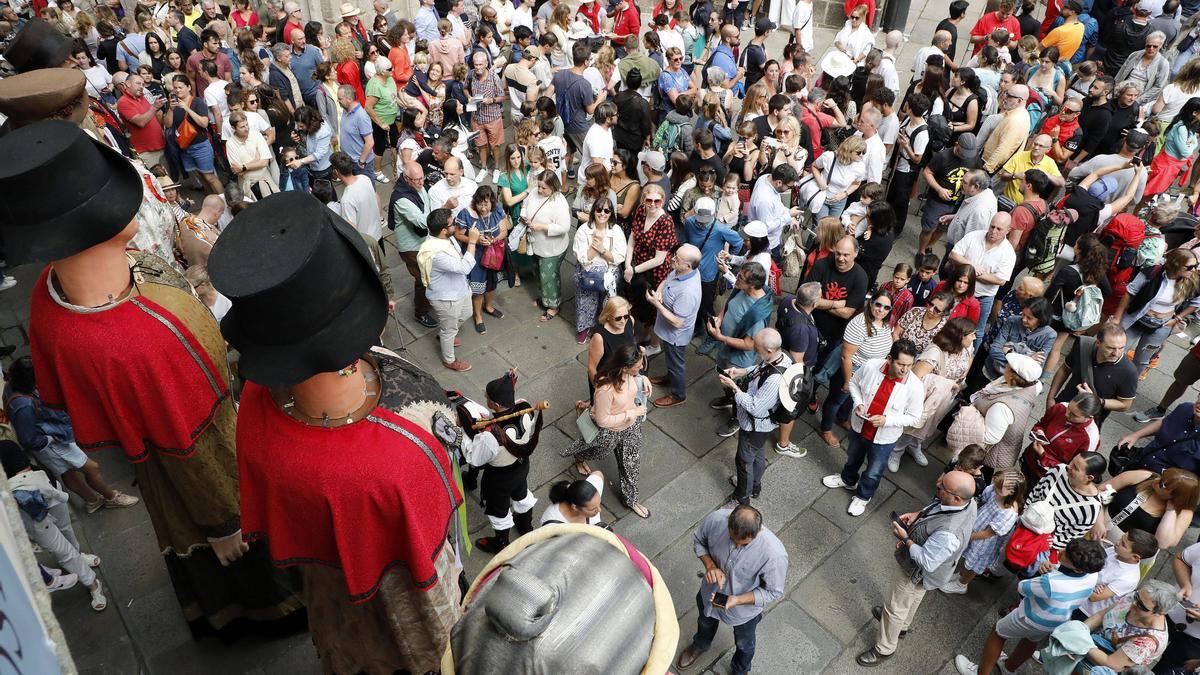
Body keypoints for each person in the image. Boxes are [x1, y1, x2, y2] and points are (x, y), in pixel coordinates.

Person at [0, 121, 303, 637]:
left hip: (209, 451)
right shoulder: (127, 339)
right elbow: (183, 444)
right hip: (215, 481)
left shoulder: (70, 289)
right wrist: (221, 522)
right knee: (248, 567)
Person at [208, 192, 461, 672]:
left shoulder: (259, 403)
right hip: (405, 597)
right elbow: (427, 571)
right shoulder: (393, 463)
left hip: (332, 601)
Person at [857, 471, 978, 666]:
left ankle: (885, 648)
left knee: (894, 608)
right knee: (913, 598)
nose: (937, 486)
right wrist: (918, 515)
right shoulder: (969, 503)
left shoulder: (949, 533)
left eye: (942, 488)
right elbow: (939, 508)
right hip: (932, 574)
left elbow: (926, 561)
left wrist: (906, 539)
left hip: (915, 572)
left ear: (956, 498)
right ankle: (902, 627)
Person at [4, 356, 139, 513]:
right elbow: (28, 438)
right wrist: (51, 438)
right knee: (92, 468)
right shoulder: (24, 405)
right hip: (52, 443)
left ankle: (92, 501)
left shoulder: (11, 386)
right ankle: (111, 497)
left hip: (48, 440)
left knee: (68, 473)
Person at [953, 538, 1107, 675]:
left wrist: (1042, 572)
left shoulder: (1052, 582)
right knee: (1030, 641)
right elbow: (1066, 576)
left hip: (1031, 616)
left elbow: (1023, 588)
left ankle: (980, 672)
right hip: (1056, 620)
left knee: (998, 632)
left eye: (1066, 555)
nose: (1060, 552)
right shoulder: (1092, 574)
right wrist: (1055, 568)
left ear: (1078, 568)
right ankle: (1008, 668)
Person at [675, 505, 788, 674]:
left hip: (743, 611)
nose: (736, 546)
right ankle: (700, 645)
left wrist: (738, 600)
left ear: (756, 533)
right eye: (732, 540)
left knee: (745, 644)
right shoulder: (716, 519)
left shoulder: (774, 555)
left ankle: (740, 669)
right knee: (704, 622)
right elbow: (699, 540)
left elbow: (774, 591)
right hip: (709, 595)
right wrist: (710, 566)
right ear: (728, 523)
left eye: (743, 545)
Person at [822, 340, 924, 516]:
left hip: (884, 438)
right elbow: (854, 383)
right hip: (859, 426)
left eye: (909, 365)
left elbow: (915, 417)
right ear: (890, 359)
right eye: (901, 364)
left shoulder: (915, 387)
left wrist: (887, 420)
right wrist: (859, 402)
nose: (905, 370)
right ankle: (848, 479)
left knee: (874, 471)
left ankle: (863, 496)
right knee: (853, 457)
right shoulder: (871, 366)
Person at [2, 441, 106, 611]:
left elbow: (26, 473)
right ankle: (92, 583)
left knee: (66, 529)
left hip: (45, 490)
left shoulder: (4, 447)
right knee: (61, 550)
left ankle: (78, 555)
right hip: (26, 511)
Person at [457, 369, 543, 552]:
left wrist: (465, 433)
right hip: (522, 466)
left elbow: (475, 458)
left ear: (494, 404)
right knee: (521, 493)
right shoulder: (525, 405)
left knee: (498, 509)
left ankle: (501, 543)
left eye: (486, 397)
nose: (485, 399)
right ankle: (525, 526)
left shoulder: (490, 434)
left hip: (500, 478)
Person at [561, 344, 651, 519]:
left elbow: (639, 371)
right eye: (638, 366)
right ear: (625, 367)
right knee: (596, 451)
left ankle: (631, 500)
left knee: (630, 464)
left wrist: (643, 376)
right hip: (609, 431)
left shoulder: (629, 373)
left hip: (630, 427)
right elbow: (602, 421)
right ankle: (579, 456)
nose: (641, 368)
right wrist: (632, 413)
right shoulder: (606, 389)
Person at [889, 317, 976, 472]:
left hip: (946, 396)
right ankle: (896, 451)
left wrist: (957, 385)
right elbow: (915, 378)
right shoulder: (935, 352)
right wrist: (948, 384)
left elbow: (969, 362)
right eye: (971, 334)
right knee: (912, 426)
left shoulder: (967, 348)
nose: (975, 337)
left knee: (929, 425)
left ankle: (914, 445)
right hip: (925, 397)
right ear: (960, 336)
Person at [719, 328, 792, 504]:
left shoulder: (775, 379)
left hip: (755, 426)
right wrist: (740, 372)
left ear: (769, 350)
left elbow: (756, 407)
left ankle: (742, 497)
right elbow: (761, 368)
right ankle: (754, 486)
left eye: (757, 347)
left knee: (744, 460)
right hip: (763, 426)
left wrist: (735, 388)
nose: (753, 349)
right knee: (757, 454)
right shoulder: (782, 358)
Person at [709, 263, 774, 438]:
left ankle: (737, 417)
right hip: (725, 347)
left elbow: (749, 344)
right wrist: (719, 319)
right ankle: (728, 398)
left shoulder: (756, 313)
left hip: (738, 359)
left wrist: (721, 338)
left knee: (738, 388)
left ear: (752, 285)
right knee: (724, 378)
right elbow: (729, 305)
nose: (736, 278)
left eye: (740, 278)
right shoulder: (741, 289)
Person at [1114, 249, 1200, 376]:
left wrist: (1177, 319)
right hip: (1136, 319)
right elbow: (1129, 293)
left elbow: (1196, 303)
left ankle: (1126, 386)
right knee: (1117, 351)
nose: (1194, 270)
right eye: (1190, 267)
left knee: (1141, 360)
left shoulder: (1191, 281)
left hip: (1162, 325)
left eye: (1196, 266)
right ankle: (1108, 378)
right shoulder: (1152, 272)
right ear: (1176, 264)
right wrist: (1117, 318)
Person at [942, 469, 1026, 594]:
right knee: (968, 560)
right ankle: (961, 575)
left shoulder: (1008, 513)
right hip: (976, 530)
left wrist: (967, 536)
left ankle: (962, 584)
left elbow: (988, 534)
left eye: (999, 487)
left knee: (974, 565)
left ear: (1012, 492)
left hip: (984, 542)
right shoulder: (997, 491)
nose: (995, 488)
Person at [1047, 323, 1138, 429]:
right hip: (1062, 407)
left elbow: (1125, 405)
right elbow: (1064, 370)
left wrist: (1097, 401)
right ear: (1098, 342)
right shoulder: (1083, 346)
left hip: (1087, 424)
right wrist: (1050, 398)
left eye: (1121, 348)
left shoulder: (1128, 372)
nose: (1116, 353)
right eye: (1110, 348)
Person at [419, 207, 478, 372]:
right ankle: (449, 360)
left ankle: (446, 333)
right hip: (447, 298)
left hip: (460, 289)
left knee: (466, 313)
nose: (457, 225)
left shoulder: (445, 238)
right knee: (449, 329)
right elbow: (464, 267)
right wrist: (472, 241)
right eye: (453, 224)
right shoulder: (437, 254)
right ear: (444, 230)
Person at [951, 213, 1017, 351]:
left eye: (999, 229)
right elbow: (954, 255)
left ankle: (968, 363)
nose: (994, 231)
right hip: (959, 291)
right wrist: (972, 266)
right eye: (992, 226)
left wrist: (971, 273)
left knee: (977, 332)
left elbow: (1000, 280)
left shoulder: (1008, 253)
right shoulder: (974, 236)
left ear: (1008, 230)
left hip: (983, 298)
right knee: (951, 322)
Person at [1080, 579, 1177, 671]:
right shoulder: (1137, 599)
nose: (1134, 603)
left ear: (1159, 613)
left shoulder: (1147, 643)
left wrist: (1080, 641)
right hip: (1086, 645)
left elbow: (1111, 664)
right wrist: (1080, 630)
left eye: (1142, 606)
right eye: (1136, 596)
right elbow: (1102, 615)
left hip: (1095, 667)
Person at [649, 245, 702, 408]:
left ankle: (678, 394)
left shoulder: (688, 292)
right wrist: (659, 292)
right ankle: (669, 377)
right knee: (671, 360)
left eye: (676, 259)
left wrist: (657, 305)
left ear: (688, 266)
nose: (672, 259)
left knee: (675, 362)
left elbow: (678, 322)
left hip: (675, 336)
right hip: (667, 328)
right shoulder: (682, 271)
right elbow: (667, 279)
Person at [1097, 468, 1200, 549]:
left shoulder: (1184, 513)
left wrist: (1170, 511)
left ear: (1176, 496)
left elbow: (1163, 543)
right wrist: (1098, 522)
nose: (1156, 480)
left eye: (1162, 484)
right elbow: (1099, 491)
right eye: (1162, 475)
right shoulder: (1144, 476)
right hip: (1094, 529)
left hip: (1124, 553)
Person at [774, 282, 821, 458]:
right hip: (796, 372)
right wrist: (799, 389)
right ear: (814, 304)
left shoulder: (788, 300)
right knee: (790, 409)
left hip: (782, 352)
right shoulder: (801, 330)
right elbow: (797, 362)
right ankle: (783, 444)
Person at [573, 199, 628, 343]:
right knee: (586, 298)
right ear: (593, 211)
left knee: (608, 301)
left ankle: (603, 327)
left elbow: (618, 257)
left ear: (611, 213)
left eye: (606, 210)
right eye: (599, 210)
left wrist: (602, 249)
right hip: (588, 270)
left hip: (609, 271)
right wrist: (594, 246)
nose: (602, 213)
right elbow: (583, 258)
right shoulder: (583, 230)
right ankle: (584, 327)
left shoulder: (616, 230)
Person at [919, 133, 982, 255]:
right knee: (929, 228)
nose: (965, 156)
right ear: (957, 145)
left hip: (958, 202)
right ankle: (921, 251)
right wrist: (939, 189)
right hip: (937, 201)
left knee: (942, 228)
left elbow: (979, 173)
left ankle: (930, 247)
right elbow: (927, 173)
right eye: (963, 152)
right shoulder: (943, 156)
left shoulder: (973, 157)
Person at [1076, 530, 1159, 619]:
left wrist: (1084, 573)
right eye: (1121, 538)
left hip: (1084, 611)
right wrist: (1093, 585)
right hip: (1077, 593)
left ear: (1135, 557)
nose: (1117, 542)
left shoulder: (1129, 578)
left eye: (1123, 544)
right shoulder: (1116, 550)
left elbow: (1094, 597)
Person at [522, 172, 571, 321]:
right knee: (538, 272)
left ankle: (553, 305)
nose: (540, 190)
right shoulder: (534, 194)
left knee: (549, 276)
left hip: (552, 248)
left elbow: (565, 227)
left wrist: (543, 227)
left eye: (544, 188)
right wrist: (525, 216)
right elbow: (525, 204)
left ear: (553, 187)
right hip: (536, 244)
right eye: (539, 186)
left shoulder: (559, 201)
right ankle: (544, 298)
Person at [1022, 392, 1103, 482]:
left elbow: (1073, 469)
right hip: (1029, 458)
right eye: (1068, 408)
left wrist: (1043, 456)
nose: (1067, 414)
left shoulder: (1090, 438)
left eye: (1074, 415)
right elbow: (1041, 424)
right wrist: (1039, 432)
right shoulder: (1060, 407)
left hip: (1046, 477)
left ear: (1089, 417)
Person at [983, 296, 1055, 379]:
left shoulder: (1049, 335)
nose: (1024, 319)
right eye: (1023, 314)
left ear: (1041, 320)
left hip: (1014, 382)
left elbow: (1036, 367)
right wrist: (1028, 359)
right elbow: (994, 349)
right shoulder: (1012, 321)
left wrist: (1009, 353)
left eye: (1029, 318)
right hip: (993, 371)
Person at [539, 471, 605, 526]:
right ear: (575, 507)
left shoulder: (590, 494)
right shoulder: (553, 525)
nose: (599, 510)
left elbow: (598, 474)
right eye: (593, 509)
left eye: (599, 504)